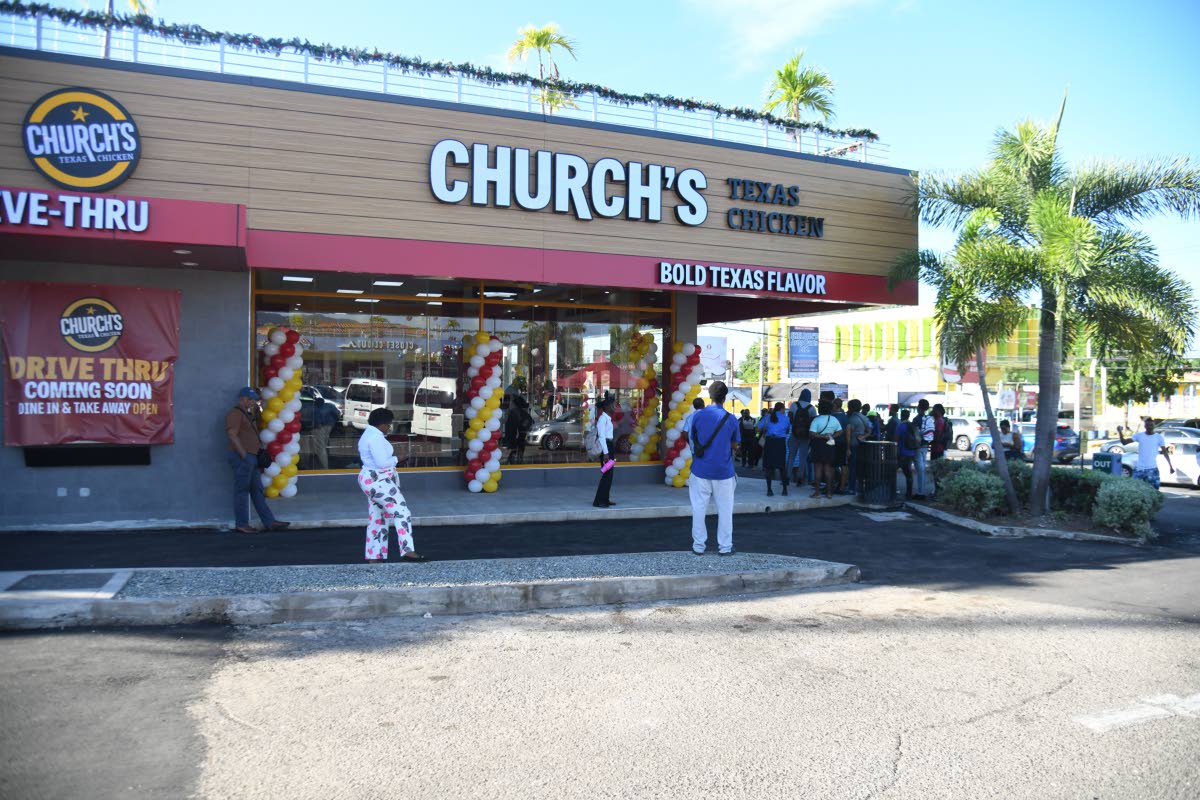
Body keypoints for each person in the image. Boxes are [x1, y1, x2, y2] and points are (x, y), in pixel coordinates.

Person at [357, 407, 423, 562]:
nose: (389, 427)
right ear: (383, 424)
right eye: (389, 424)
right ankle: (407, 550)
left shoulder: (368, 434)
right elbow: (382, 463)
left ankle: (374, 555)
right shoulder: (376, 438)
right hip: (379, 480)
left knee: (377, 517)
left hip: (369, 479)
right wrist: (398, 458)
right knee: (402, 512)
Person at [224, 387, 289, 534]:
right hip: (243, 458)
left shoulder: (248, 414)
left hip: (251, 457)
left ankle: (269, 522)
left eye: (253, 400)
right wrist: (244, 455)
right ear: (242, 399)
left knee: (257, 490)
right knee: (242, 491)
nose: (252, 402)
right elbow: (232, 434)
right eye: (250, 399)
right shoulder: (235, 414)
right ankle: (241, 524)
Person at [688, 380, 741, 555]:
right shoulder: (731, 419)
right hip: (724, 472)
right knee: (725, 511)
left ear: (709, 396)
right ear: (724, 398)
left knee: (698, 509)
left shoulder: (698, 416)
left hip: (700, 469)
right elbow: (735, 444)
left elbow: (692, 439)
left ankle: (698, 546)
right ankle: (725, 547)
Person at [1118, 419, 1171, 489]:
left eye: (1151, 425)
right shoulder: (1139, 436)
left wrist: (1170, 465)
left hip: (1152, 469)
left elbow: (1164, 452)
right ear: (1145, 426)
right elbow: (1124, 442)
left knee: (1154, 491)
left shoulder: (1159, 437)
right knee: (1134, 490)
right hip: (1139, 469)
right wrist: (1120, 432)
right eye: (1147, 425)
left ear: (1154, 426)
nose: (1149, 427)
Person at [808, 399, 843, 500]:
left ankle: (817, 492)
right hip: (830, 444)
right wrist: (831, 436)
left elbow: (812, 434)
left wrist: (822, 436)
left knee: (818, 468)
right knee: (828, 469)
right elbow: (840, 431)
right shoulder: (834, 420)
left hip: (818, 445)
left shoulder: (816, 420)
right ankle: (829, 493)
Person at [758, 401, 791, 496]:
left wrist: (767, 429)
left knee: (768, 467)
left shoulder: (767, 417)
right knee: (782, 467)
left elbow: (758, 428)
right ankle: (784, 490)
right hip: (780, 443)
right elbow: (788, 430)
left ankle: (769, 490)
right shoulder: (786, 418)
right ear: (782, 409)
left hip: (770, 443)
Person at [787, 389, 816, 487]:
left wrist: (796, 425)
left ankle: (787, 477)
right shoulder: (812, 408)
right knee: (803, 458)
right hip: (805, 436)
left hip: (794, 434)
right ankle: (800, 478)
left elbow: (790, 418)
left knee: (791, 456)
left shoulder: (794, 405)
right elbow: (813, 422)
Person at [592, 396, 617, 507]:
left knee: (609, 474)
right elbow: (601, 436)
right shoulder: (602, 419)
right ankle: (599, 501)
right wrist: (606, 452)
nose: (614, 407)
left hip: (609, 445)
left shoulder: (607, 418)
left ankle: (605, 499)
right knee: (606, 474)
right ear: (607, 407)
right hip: (605, 447)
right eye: (612, 405)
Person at [844, 399, 870, 494]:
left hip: (853, 445)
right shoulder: (864, 418)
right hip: (863, 445)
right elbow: (869, 431)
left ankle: (851, 488)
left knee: (853, 467)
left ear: (851, 408)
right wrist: (863, 436)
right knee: (861, 467)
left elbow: (848, 435)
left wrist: (847, 449)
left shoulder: (852, 419)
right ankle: (861, 488)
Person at [913, 399, 934, 500]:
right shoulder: (928, 418)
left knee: (920, 469)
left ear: (919, 407)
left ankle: (920, 492)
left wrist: (916, 445)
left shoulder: (917, 419)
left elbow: (916, 434)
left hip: (918, 446)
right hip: (926, 445)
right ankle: (922, 490)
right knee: (922, 469)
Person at [311, 395, 339, 470]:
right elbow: (337, 414)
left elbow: (316, 420)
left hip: (321, 427)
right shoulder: (330, 406)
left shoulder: (317, 408)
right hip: (329, 426)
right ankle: (324, 465)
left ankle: (324, 467)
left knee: (321, 448)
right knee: (323, 446)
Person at [504, 395, 533, 464]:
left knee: (515, 449)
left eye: (511, 402)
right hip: (520, 434)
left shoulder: (515, 412)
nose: (510, 403)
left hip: (516, 434)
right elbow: (530, 421)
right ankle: (518, 459)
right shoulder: (521, 412)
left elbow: (511, 426)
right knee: (519, 448)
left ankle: (515, 460)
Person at [894, 409, 916, 499]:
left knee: (892, 471)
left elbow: (896, 439)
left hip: (902, 452)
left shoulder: (901, 426)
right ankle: (909, 494)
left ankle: (892, 491)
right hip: (911, 452)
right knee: (908, 473)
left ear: (901, 416)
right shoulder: (912, 426)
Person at [832, 398, 850, 493]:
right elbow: (848, 434)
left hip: (832, 443)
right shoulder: (845, 417)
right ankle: (842, 487)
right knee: (843, 465)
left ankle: (831, 486)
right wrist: (848, 447)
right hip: (843, 444)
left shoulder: (831, 417)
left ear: (835, 405)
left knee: (831, 465)